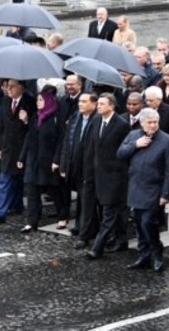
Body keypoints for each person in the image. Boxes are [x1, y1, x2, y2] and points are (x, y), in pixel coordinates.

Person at [117, 108, 169, 271]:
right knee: (139, 224)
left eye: (155, 122)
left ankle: (156, 252)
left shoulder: (166, 140)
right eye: (149, 122)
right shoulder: (133, 135)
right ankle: (143, 255)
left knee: (148, 223)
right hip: (136, 186)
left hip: (154, 188)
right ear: (141, 123)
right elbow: (120, 153)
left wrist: (165, 193)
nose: (152, 125)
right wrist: (135, 145)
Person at [84, 93, 131, 260]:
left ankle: (98, 247)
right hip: (100, 174)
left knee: (109, 212)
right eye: (99, 104)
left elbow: (124, 151)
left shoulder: (122, 125)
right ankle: (121, 239)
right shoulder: (96, 121)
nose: (99, 106)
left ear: (111, 106)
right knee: (114, 210)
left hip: (116, 176)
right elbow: (93, 148)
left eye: (102, 104)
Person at [0, 79, 36, 224]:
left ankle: (17, 204)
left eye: (12, 86)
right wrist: (0, 146)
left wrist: (27, 120)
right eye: (7, 87)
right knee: (5, 179)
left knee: (18, 179)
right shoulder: (5, 101)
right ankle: (0, 212)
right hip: (8, 147)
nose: (9, 89)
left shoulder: (30, 102)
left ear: (21, 87)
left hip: (22, 148)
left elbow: (35, 128)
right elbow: (2, 126)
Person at [20, 88, 65, 233]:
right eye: (37, 100)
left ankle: (62, 215)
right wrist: (22, 157)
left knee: (54, 189)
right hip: (34, 159)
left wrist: (57, 160)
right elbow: (29, 137)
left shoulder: (56, 118)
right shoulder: (35, 117)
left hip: (49, 160)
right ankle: (31, 222)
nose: (38, 103)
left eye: (41, 100)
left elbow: (60, 141)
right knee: (31, 190)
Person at [56, 92, 98, 239]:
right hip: (75, 164)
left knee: (87, 199)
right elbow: (67, 141)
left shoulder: (97, 119)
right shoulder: (76, 117)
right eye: (80, 101)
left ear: (94, 104)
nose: (80, 104)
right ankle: (80, 225)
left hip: (90, 166)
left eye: (84, 101)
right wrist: (63, 164)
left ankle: (86, 231)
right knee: (81, 196)